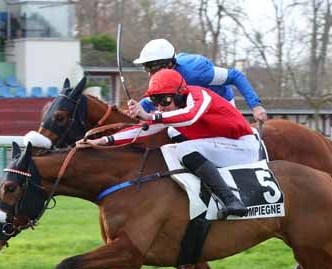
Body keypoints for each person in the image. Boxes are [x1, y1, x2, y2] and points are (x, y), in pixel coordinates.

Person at [82, 69, 260, 217]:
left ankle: (231, 201)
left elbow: (190, 117)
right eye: (155, 102)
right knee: (170, 145)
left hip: (242, 147)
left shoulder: (199, 96)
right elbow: (141, 130)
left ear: (179, 94)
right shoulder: (171, 110)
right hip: (222, 146)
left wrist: (150, 115)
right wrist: (102, 141)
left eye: (164, 100)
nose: (160, 107)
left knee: (184, 147)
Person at [133, 39, 267, 123]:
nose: (150, 74)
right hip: (193, 104)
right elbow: (152, 101)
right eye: (146, 68)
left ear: (168, 64)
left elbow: (235, 76)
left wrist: (255, 106)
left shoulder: (195, 72)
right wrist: (134, 113)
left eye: (152, 67)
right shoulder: (163, 79)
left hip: (221, 104)